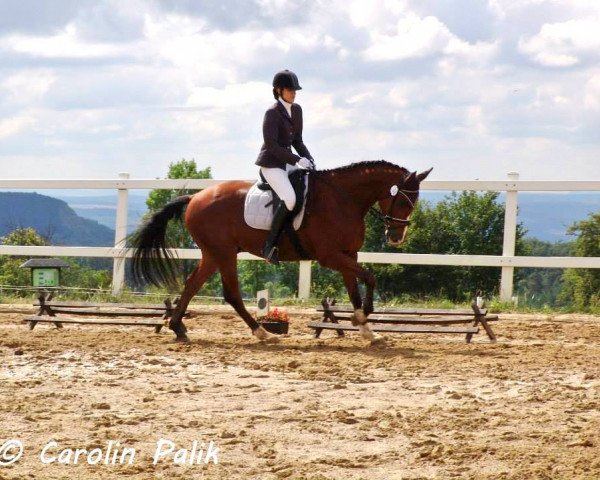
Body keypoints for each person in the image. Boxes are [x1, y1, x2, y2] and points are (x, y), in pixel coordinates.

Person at [255, 69, 315, 265]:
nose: (294, 93)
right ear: (279, 91)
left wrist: (309, 160)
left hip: (288, 162)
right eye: (290, 90)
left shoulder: (297, 110)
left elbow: (298, 140)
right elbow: (272, 145)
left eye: (295, 90)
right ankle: (269, 245)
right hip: (271, 164)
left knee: (310, 187)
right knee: (290, 199)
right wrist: (297, 160)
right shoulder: (272, 113)